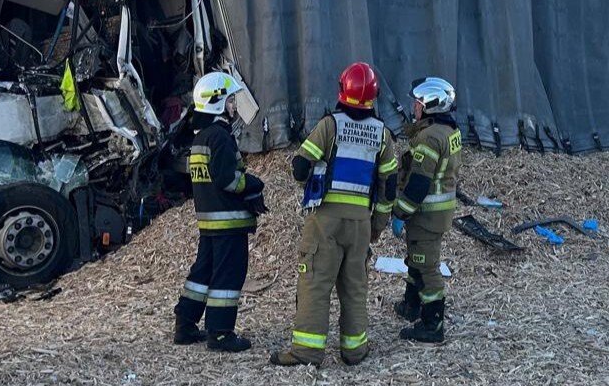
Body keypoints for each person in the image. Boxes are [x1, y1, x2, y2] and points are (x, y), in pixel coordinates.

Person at [271, 62, 399, 367]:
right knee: (354, 287)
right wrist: (377, 226)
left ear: (343, 90)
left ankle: (307, 351)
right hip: (359, 225)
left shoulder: (330, 126)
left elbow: (300, 168)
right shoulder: (382, 134)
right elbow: (389, 186)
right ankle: (354, 350)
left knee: (315, 283)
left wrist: (312, 174)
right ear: (373, 96)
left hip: (325, 222)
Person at [173, 71, 265, 353]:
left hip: (209, 223)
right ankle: (221, 333)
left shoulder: (200, 138)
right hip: (229, 223)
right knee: (228, 277)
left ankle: (185, 324)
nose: (235, 106)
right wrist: (253, 183)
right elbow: (228, 179)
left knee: (202, 274)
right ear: (217, 103)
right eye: (231, 100)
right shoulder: (221, 138)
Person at [392, 77, 463, 342]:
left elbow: (419, 182)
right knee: (416, 257)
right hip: (438, 213)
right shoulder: (448, 130)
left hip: (427, 214)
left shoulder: (429, 138)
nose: (414, 107)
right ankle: (411, 305)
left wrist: (400, 212)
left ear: (431, 105)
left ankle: (433, 325)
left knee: (426, 266)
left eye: (418, 102)